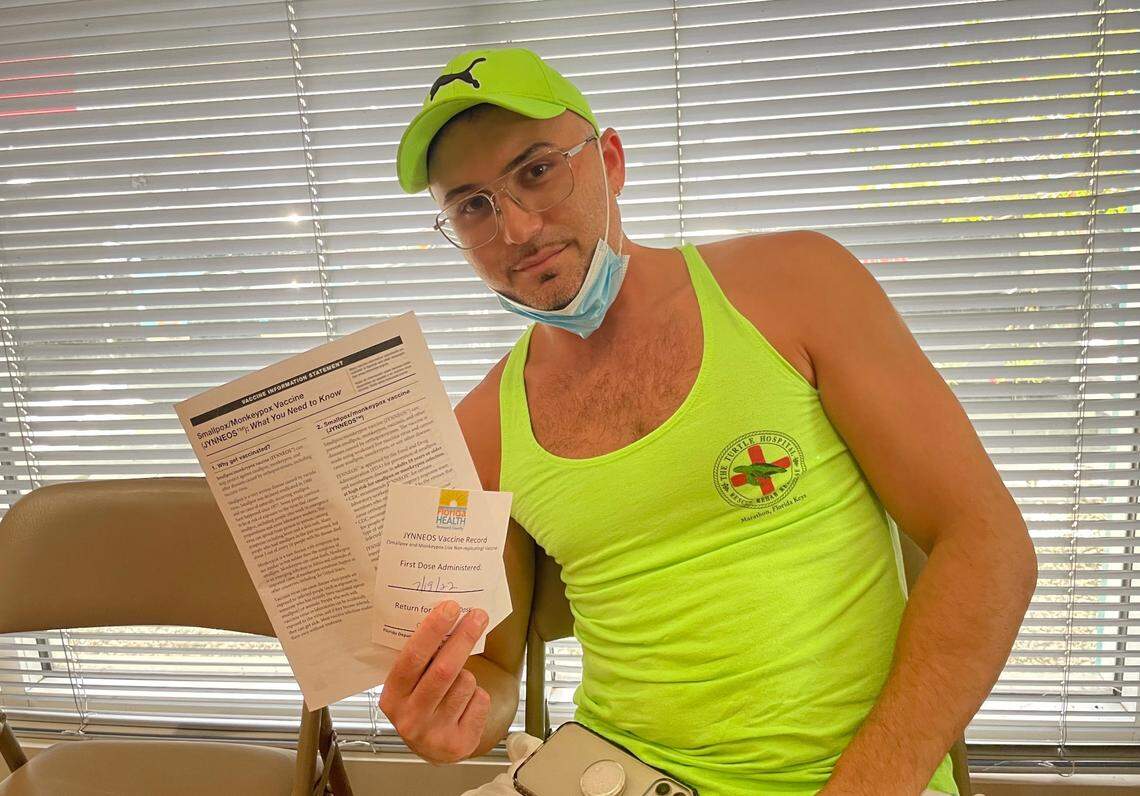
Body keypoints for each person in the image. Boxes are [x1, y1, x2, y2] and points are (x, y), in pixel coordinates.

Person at [377, 46, 1037, 795]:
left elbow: (988, 546)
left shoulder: (797, 287)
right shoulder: (479, 430)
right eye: (473, 206)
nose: (520, 230)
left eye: (536, 171)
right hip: (611, 777)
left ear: (611, 161)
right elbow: (494, 667)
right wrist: (459, 714)